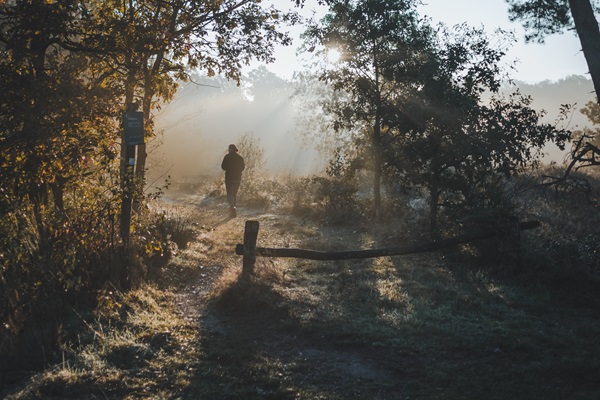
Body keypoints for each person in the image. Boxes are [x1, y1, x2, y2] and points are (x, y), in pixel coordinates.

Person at [221, 144, 245, 217]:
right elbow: (242, 168)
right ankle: (233, 210)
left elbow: (223, 167)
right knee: (234, 194)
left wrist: (229, 168)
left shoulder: (227, 157)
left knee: (230, 194)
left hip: (229, 178)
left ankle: (232, 207)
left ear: (230, 149)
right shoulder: (240, 158)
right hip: (237, 178)